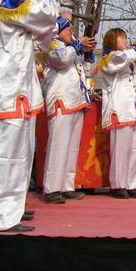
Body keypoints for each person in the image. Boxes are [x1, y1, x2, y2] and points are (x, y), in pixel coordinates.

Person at [0, 0, 59, 232]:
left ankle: (7, 208)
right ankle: (1, 216)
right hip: (9, 92)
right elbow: (43, 15)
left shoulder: (8, 1)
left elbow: (41, 29)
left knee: (15, 156)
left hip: (15, 91)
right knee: (6, 156)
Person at [41, 16, 96, 204]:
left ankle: (66, 186)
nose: (71, 31)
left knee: (72, 147)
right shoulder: (51, 45)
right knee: (58, 145)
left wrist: (88, 53)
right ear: (58, 30)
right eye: (68, 28)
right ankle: (52, 188)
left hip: (76, 100)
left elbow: (87, 71)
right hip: (61, 100)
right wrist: (78, 45)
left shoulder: (72, 49)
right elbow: (61, 59)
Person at [100, 28, 136, 199]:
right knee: (121, 149)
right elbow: (120, 59)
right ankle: (118, 184)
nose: (125, 40)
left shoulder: (129, 60)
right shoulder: (109, 57)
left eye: (125, 38)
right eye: (121, 38)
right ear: (112, 40)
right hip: (121, 108)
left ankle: (132, 184)